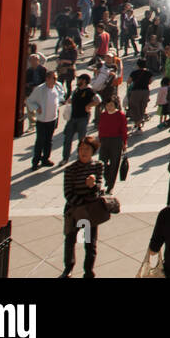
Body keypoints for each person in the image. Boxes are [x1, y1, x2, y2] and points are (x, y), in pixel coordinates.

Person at [61, 136, 104, 277]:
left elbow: (97, 191)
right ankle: (68, 268)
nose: (83, 152)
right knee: (70, 241)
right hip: (74, 212)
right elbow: (68, 193)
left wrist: (92, 186)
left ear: (93, 151)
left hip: (89, 214)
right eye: (81, 149)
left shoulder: (98, 166)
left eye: (87, 149)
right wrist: (82, 203)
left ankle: (88, 270)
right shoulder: (71, 170)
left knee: (89, 243)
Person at [27, 71, 64, 170]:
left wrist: (60, 102)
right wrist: (36, 107)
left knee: (49, 140)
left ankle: (45, 159)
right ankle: (36, 161)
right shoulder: (40, 89)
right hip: (42, 120)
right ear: (47, 79)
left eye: (56, 78)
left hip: (53, 118)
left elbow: (61, 95)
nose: (56, 80)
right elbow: (29, 101)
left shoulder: (58, 86)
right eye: (53, 78)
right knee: (40, 141)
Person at [62, 73, 97, 165]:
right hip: (72, 118)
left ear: (84, 81)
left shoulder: (89, 91)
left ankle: (80, 158)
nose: (77, 81)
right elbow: (72, 99)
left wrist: (89, 105)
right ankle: (65, 158)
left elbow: (98, 100)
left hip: (82, 118)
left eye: (79, 79)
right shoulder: (76, 90)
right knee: (67, 138)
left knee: (82, 140)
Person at [97, 96, 128, 192]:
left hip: (116, 141)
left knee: (115, 164)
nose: (109, 107)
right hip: (104, 141)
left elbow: (124, 130)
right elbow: (100, 128)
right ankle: (107, 178)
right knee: (102, 162)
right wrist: (99, 140)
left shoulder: (120, 115)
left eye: (111, 105)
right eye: (107, 105)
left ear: (115, 105)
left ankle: (110, 186)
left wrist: (124, 142)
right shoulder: (103, 115)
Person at [127, 57, 153, 132]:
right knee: (142, 107)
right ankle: (139, 122)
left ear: (137, 65)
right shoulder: (149, 73)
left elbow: (129, 81)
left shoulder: (134, 73)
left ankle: (138, 125)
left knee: (135, 108)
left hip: (136, 91)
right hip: (145, 91)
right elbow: (150, 82)